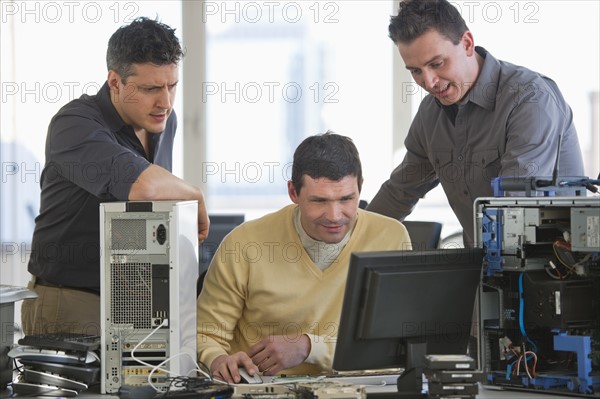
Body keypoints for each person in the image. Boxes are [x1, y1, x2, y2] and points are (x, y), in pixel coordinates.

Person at [21, 17, 209, 336]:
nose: (164, 101)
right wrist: (195, 195)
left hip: (135, 299)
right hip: (71, 300)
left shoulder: (164, 121)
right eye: (150, 89)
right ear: (115, 82)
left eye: (171, 86)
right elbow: (145, 187)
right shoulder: (74, 124)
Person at [197, 132, 411, 383]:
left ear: (360, 186)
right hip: (265, 387)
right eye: (319, 201)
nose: (334, 215)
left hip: (361, 386)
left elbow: (398, 342)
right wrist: (218, 360)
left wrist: (310, 348)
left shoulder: (391, 236)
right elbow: (205, 334)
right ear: (293, 192)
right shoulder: (244, 243)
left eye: (346, 199)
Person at [367, 0, 584, 246]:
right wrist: (344, 248)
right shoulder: (430, 115)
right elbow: (399, 193)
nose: (428, 82)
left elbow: (514, 208)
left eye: (437, 64)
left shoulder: (530, 100)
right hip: (483, 275)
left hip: (552, 272)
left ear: (467, 44)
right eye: (415, 71)